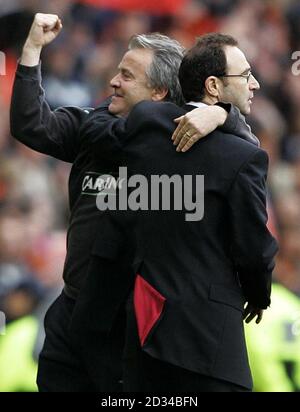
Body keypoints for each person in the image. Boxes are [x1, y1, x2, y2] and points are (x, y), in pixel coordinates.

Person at [10, 14, 251, 392]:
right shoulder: (93, 126)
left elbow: (246, 151)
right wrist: (32, 51)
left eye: (126, 75)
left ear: (158, 92)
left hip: (138, 324)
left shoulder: (185, 139)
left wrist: (222, 113)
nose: (112, 82)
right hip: (73, 314)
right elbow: (31, 124)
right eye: (117, 71)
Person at [82, 33, 278, 392]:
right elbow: (254, 249)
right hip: (210, 346)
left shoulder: (146, 125)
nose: (255, 83)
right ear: (214, 85)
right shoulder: (244, 156)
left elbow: (94, 128)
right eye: (246, 74)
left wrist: (221, 114)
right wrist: (259, 294)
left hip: (143, 340)